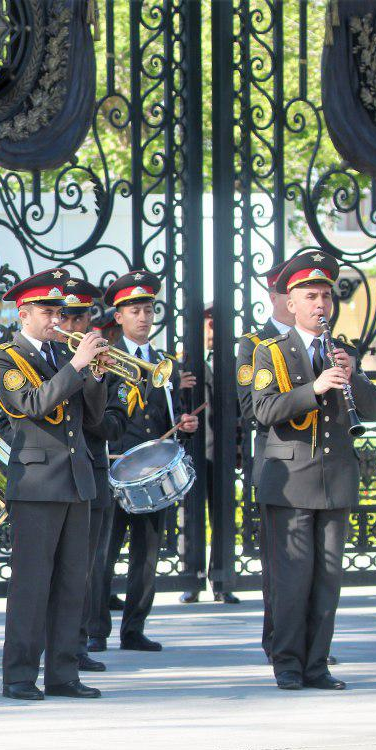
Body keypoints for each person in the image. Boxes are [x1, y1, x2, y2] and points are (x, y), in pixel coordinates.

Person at [251, 252, 376, 690]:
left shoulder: (339, 349)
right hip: (290, 484)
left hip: (334, 480)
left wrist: (354, 376)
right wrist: (315, 388)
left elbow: (375, 409)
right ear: (291, 303)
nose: (320, 304)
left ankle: (316, 664)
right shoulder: (269, 351)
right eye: (311, 296)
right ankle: (288, 664)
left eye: (325, 295)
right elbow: (264, 409)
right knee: (291, 581)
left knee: (327, 580)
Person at [0, 269, 109, 701]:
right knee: (31, 585)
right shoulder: (6, 358)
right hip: (37, 484)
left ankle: (64, 673)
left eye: (59, 311)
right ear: (24, 313)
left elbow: (94, 420)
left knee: (72, 582)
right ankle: (19, 676)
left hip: (77, 481)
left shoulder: (64, 356)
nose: (57, 319)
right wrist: (78, 366)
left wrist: (95, 375)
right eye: (47, 311)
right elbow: (32, 405)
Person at [87, 271, 198, 654]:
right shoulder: (105, 359)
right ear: (118, 317)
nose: (143, 317)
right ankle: (95, 630)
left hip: (153, 471)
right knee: (104, 553)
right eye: (134, 310)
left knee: (147, 557)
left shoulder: (166, 363)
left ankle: (134, 629)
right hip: (116, 468)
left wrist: (185, 423)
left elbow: (170, 415)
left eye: (149, 310)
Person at [234, 257, 297, 657]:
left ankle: (307, 642)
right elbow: (249, 407)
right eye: (289, 293)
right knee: (282, 560)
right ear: (274, 295)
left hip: (319, 461)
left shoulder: (326, 342)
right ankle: (278, 638)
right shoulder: (255, 345)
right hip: (278, 459)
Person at [56, 279, 110, 674]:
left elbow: (105, 421)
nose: (76, 324)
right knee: (48, 571)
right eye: (69, 316)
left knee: (83, 568)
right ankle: (51, 646)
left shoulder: (97, 357)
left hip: (92, 470)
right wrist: (77, 368)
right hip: (52, 475)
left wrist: (97, 376)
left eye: (83, 316)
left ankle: (76, 646)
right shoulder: (47, 358)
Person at [179, 305, 240, 604]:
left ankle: (222, 578)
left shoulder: (233, 360)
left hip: (223, 449)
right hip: (192, 450)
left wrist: (239, 448)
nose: (213, 331)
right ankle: (192, 576)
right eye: (209, 325)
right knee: (190, 513)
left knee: (223, 513)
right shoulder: (184, 362)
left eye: (218, 325)